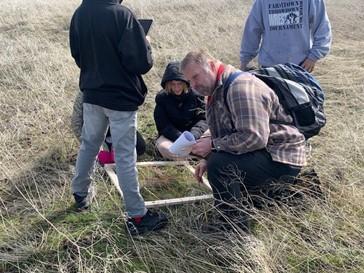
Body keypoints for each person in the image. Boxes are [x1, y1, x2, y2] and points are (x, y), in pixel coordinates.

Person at [69, 0, 167, 235]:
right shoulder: (122, 15)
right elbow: (141, 63)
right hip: (121, 99)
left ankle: (80, 193)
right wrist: (146, 44)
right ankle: (138, 215)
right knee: (125, 155)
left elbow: (77, 55)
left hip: (92, 93)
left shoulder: (80, 13)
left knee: (89, 145)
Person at [181, 50, 306, 230]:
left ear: (211, 65)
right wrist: (206, 157)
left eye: (196, 77)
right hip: (266, 153)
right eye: (189, 81)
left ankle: (232, 226)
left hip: (282, 158)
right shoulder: (216, 89)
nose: (193, 85)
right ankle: (262, 197)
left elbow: (254, 138)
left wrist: (213, 147)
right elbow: (224, 132)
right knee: (216, 160)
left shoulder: (240, 88)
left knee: (220, 164)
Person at [240, 0, 332, 73]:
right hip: (269, 67)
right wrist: (245, 60)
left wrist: (313, 57)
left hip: (300, 67)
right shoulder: (262, 2)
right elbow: (252, 30)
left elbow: (322, 28)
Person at [71, 91, 146, 165]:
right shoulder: (85, 92)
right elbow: (76, 124)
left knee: (140, 147)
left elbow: (126, 117)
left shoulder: (120, 87)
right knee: (105, 159)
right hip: (95, 131)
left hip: (116, 127)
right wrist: (90, 144)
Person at [153, 61, 209, 160]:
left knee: (210, 136)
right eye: (173, 84)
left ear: (185, 83)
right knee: (166, 148)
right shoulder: (162, 98)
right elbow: (163, 124)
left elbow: (204, 118)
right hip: (171, 137)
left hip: (194, 135)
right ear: (167, 84)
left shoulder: (196, 95)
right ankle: (194, 156)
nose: (176, 88)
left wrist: (194, 134)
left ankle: (191, 155)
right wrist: (179, 137)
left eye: (179, 84)